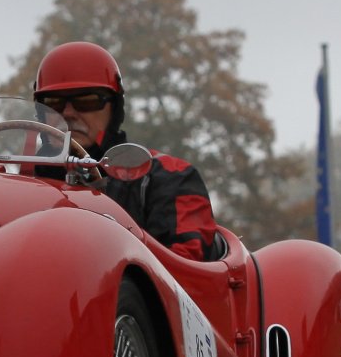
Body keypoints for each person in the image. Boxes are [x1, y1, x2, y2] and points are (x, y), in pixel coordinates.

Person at [32, 41, 220, 262]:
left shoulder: (168, 177)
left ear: (114, 109)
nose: (68, 113)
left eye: (87, 101)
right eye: (53, 103)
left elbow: (184, 268)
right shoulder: (23, 182)